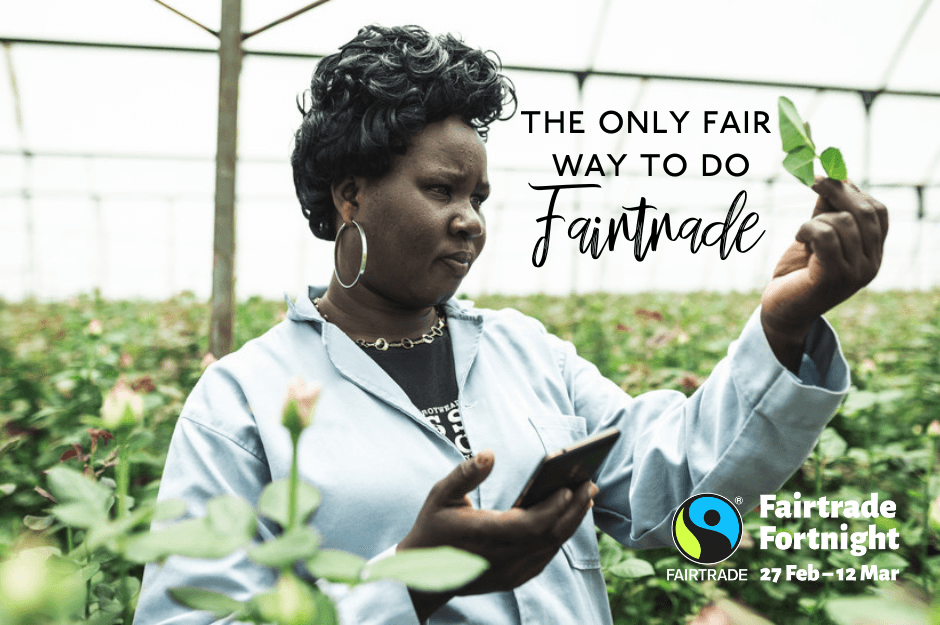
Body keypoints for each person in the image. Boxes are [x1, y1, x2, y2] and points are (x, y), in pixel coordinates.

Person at [135, 24, 888, 625]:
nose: (469, 222)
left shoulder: (526, 353)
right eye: (441, 189)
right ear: (350, 195)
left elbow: (677, 494)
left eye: (481, 197)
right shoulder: (241, 404)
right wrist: (409, 582)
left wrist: (783, 326)